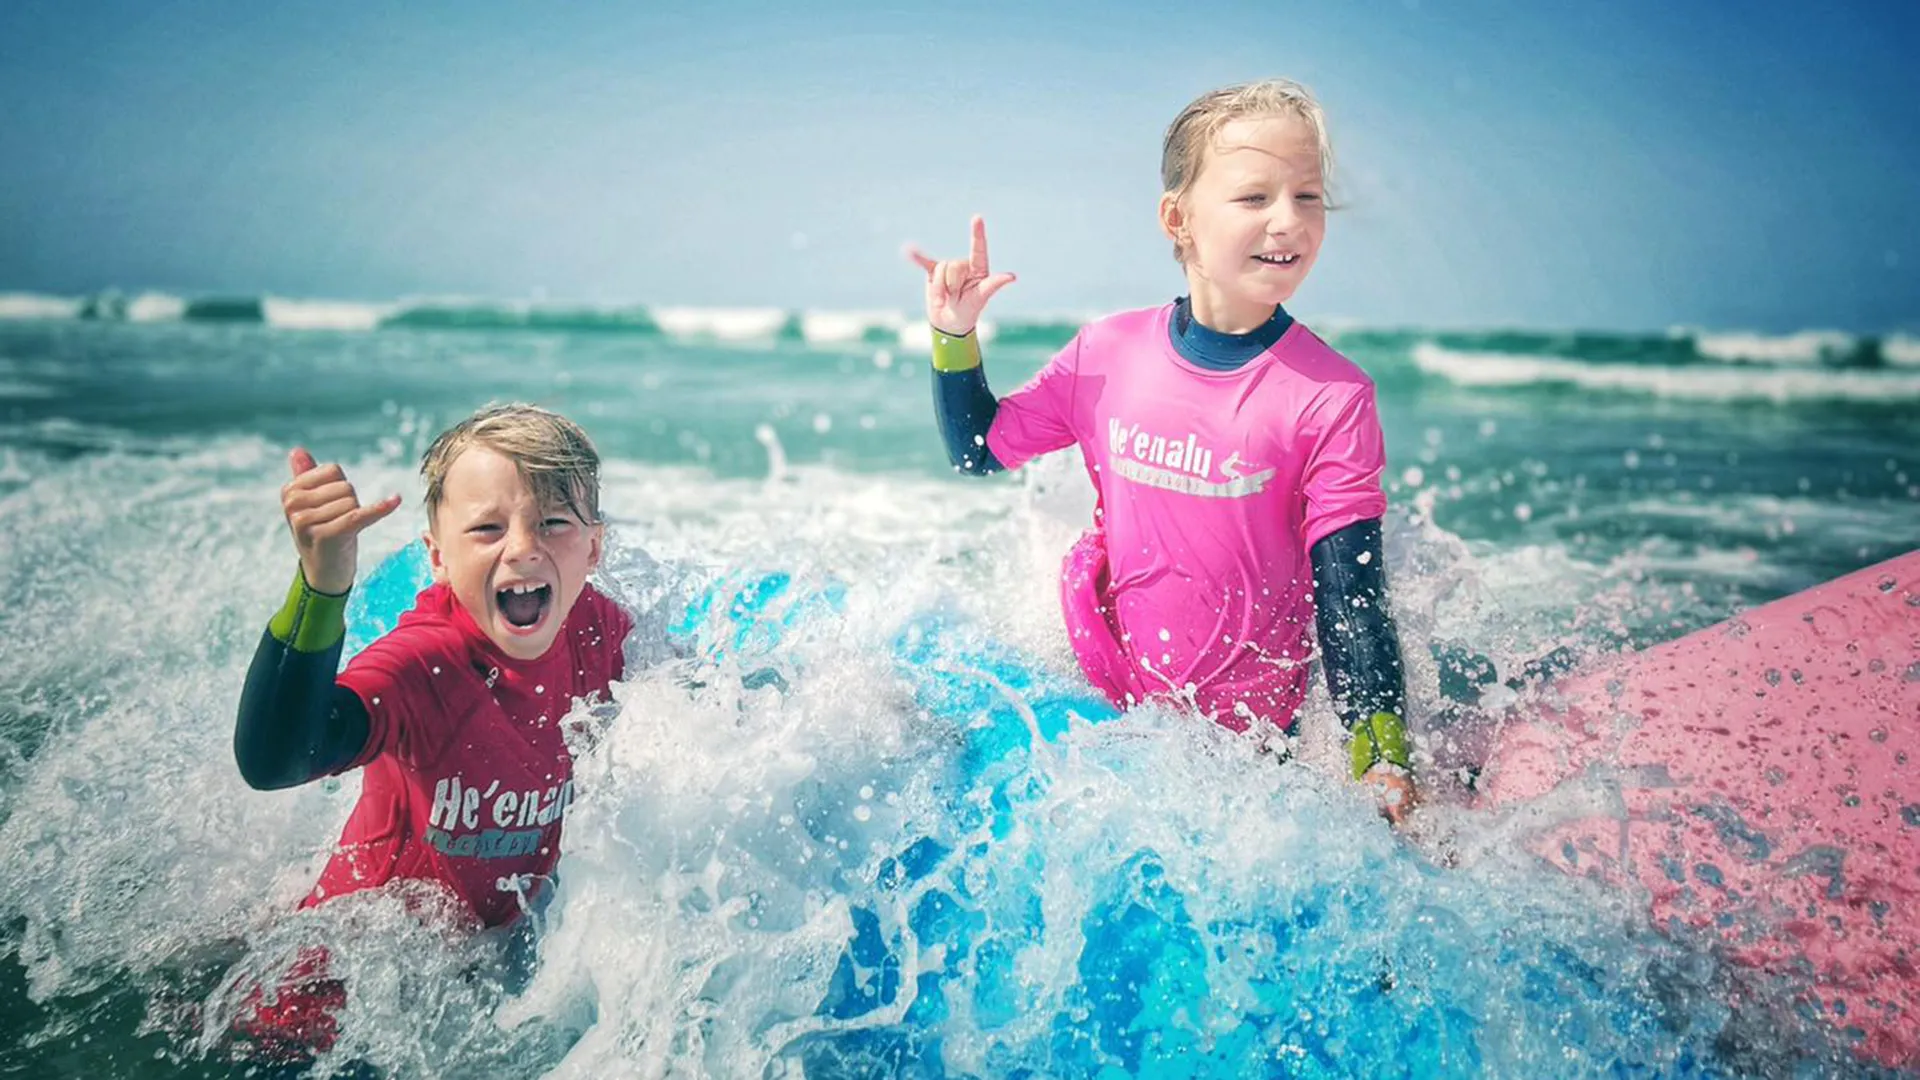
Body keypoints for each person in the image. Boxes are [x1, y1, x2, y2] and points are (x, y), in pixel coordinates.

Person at [908, 79, 1417, 822]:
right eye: (1255, 198)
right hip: (1100, 706)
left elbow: (1351, 600)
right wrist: (954, 337)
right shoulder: (1106, 354)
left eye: (1308, 197)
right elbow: (978, 450)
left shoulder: (1331, 397)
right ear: (1177, 219)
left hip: (1250, 751)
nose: (1290, 221)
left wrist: (1382, 758)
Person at [229, 402, 633, 1057]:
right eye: (487, 528)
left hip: (468, 987)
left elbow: (703, 707)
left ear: (593, 547)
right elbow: (275, 759)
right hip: (326, 1009)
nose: (525, 546)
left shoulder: (602, 633)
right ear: (437, 558)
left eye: (554, 522)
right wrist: (321, 586)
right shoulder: (424, 664)